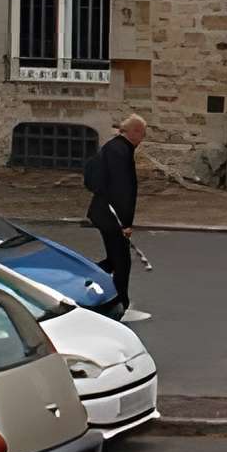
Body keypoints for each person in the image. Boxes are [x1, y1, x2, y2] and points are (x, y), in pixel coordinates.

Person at [83, 111, 149, 319]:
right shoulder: (121, 152)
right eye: (143, 134)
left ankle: (88, 279)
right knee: (122, 261)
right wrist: (126, 224)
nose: (143, 139)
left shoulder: (115, 147)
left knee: (114, 259)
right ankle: (120, 302)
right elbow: (123, 191)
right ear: (134, 132)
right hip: (111, 216)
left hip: (104, 212)